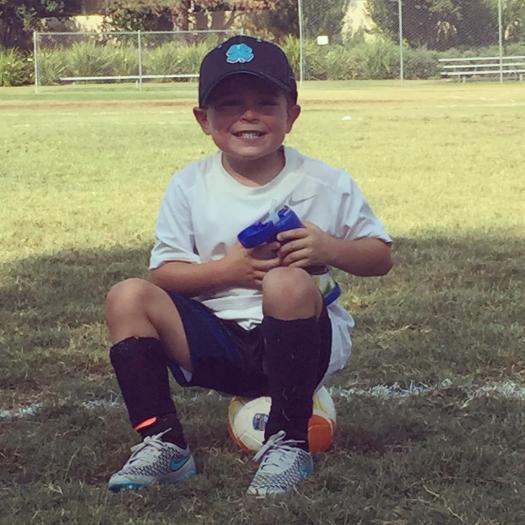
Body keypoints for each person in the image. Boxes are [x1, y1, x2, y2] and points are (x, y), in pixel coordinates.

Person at [104, 35, 393, 497]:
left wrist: (330, 249)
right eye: (230, 104)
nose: (249, 116)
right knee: (127, 296)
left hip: (302, 342)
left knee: (285, 282)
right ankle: (164, 443)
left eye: (265, 103)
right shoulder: (189, 185)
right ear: (203, 119)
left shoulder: (325, 182)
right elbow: (164, 275)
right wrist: (228, 272)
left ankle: (290, 443)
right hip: (219, 341)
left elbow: (380, 256)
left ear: (291, 114)